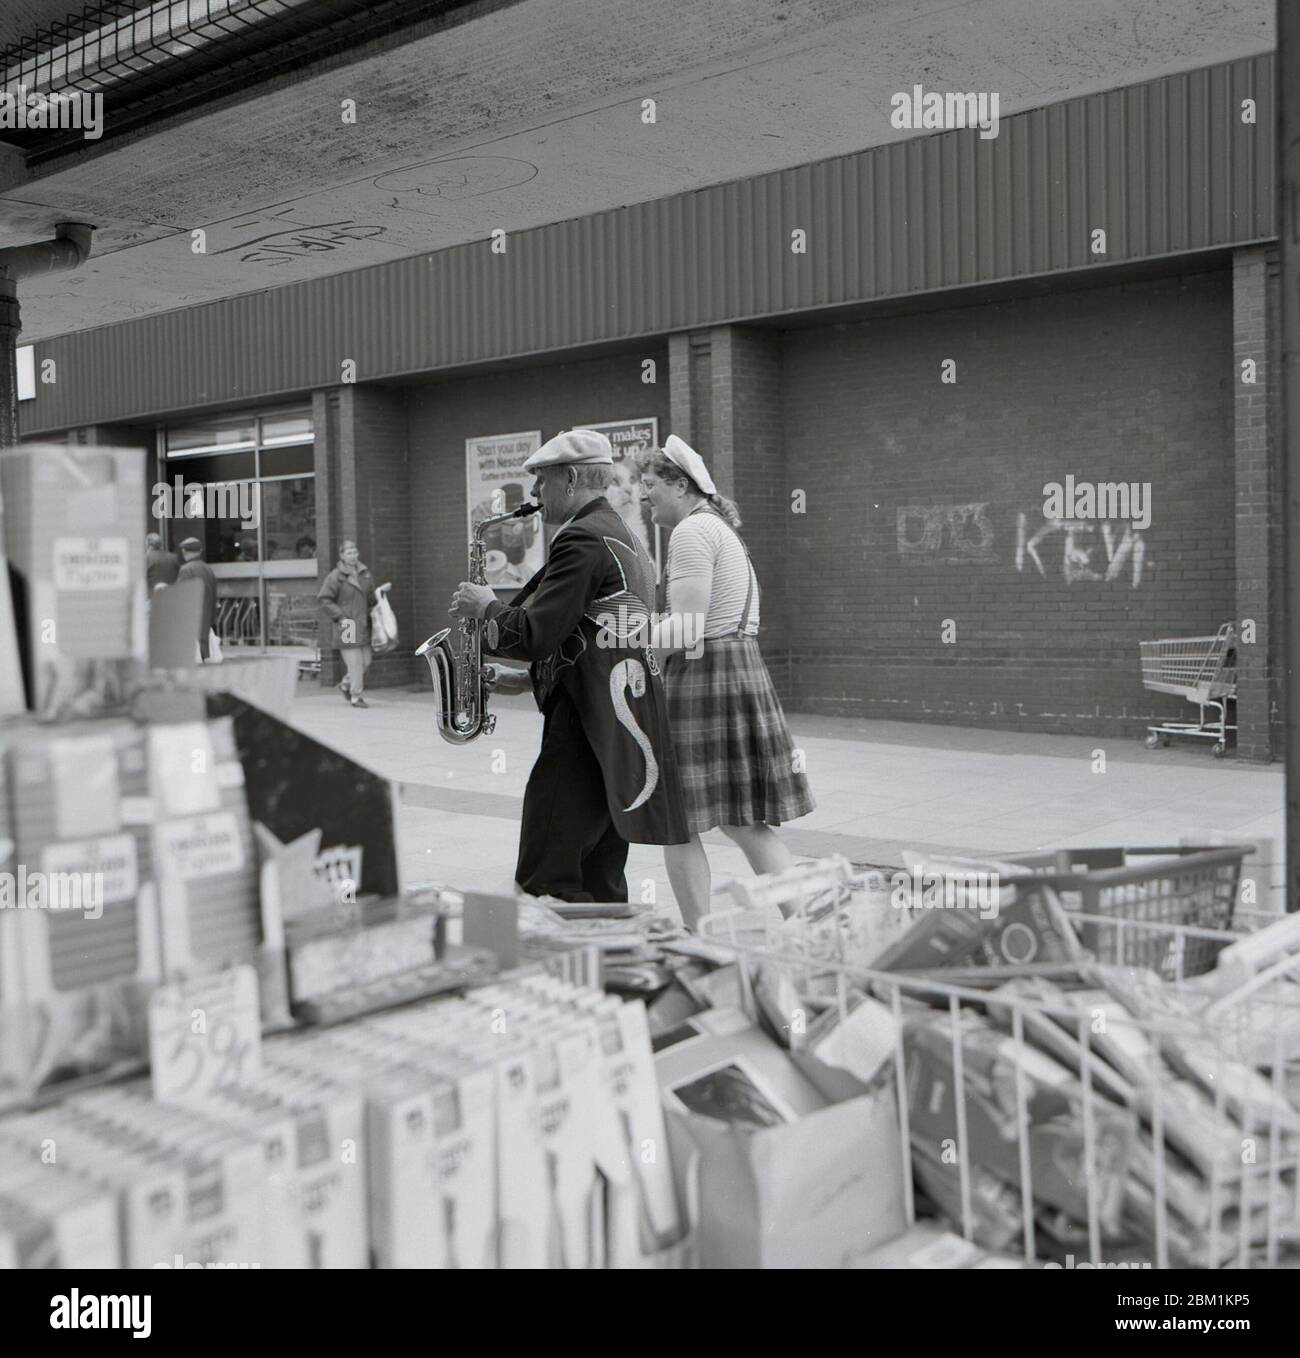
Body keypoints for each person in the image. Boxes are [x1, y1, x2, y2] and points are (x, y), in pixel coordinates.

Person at [450, 429, 688, 902]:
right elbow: (598, 636)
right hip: (617, 731)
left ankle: (557, 967)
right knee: (600, 879)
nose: (536, 494)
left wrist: (486, 607)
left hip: (583, 731)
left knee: (545, 877)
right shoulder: (623, 538)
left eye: (542, 481)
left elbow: (536, 633)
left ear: (572, 478)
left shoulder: (580, 537)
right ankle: (602, 969)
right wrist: (524, 679)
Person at [637, 435, 815, 929]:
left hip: (704, 674)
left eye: (649, 484)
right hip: (734, 670)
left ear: (679, 483)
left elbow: (686, 626)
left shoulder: (692, 533)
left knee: (677, 821)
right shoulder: (718, 530)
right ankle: (807, 925)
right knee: (744, 822)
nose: (643, 495)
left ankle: (699, 939)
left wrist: (622, 649)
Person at [317, 539, 378, 708]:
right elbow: (324, 599)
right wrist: (340, 616)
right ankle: (356, 696)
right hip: (348, 624)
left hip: (363, 624)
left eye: (354, 552)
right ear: (342, 556)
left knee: (366, 661)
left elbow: (371, 598)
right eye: (349, 553)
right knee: (355, 662)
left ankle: (345, 684)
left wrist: (379, 598)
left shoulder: (365, 574)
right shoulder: (335, 576)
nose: (353, 555)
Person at [176, 537, 218, 661]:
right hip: (206, 616)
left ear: (184, 551)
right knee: (204, 652)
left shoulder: (186, 569)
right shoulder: (208, 569)